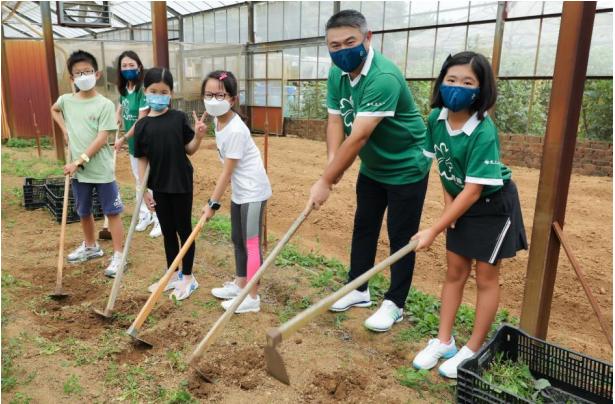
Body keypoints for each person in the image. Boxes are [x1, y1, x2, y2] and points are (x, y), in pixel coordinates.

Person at [308, 10, 430, 332]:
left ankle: (395, 303)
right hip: (374, 166)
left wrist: (326, 179)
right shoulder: (337, 73)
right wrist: (333, 165)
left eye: (350, 41)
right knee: (364, 226)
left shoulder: (383, 77)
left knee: (401, 237)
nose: (342, 50)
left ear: (367, 38)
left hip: (406, 165)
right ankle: (358, 288)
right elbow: (336, 118)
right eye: (334, 45)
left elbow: (359, 135)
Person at [411, 52, 527, 379]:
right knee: (454, 272)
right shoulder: (435, 119)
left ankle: (473, 348)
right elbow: (444, 168)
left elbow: (474, 190)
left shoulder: (483, 131)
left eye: (467, 82)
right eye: (451, 79)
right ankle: (444, 341)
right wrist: (448, 211)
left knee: (486, 277)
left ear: (481, 89)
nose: (457, 87)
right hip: (461, 203)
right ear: (441, 82)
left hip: (491, 207)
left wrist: (435, 227)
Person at [133, 67, 206, 300]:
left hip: (181, 183)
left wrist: (199, 136)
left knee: (184, 230)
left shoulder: (177, 118)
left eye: (163, 91)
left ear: (170, 94)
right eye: (153, 90)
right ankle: (172, 274)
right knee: (167, 232)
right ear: (146, 92)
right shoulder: (142, 125)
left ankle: (188, 277)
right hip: (160, 186)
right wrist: (144, 191)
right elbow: (142, 159)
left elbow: (190, 150)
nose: (158, 95)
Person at [50, 50, 125, 276]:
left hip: (100, 169)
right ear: (71, 78)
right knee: (83, 211)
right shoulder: (66, 101)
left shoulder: (104, 104)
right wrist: (65, 131)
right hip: (79, 172)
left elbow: (103, 138)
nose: (83, 76)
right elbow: (54, 110)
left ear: (97, 74)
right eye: (78, 73)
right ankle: (91, 246)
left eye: (88, 72)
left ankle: (119, 255)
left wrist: (78, 161)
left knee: (112, 212)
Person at [204, 71, 272, 314]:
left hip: (253, 192)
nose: (213, 100)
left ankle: (252, 298)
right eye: (209, 95)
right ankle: (240, 283)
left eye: (219, 95)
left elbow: (226, 173)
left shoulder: (235, 129)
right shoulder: (217, 121)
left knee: (251, 243)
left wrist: (212, 204)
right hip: (240, 192)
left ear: (232, 99)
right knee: (237, 238)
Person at [113, 50, 161, 238]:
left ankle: (159, 219)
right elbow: (121, 105)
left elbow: (141, 121)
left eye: (131, 65)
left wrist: (123, 138)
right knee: (138, 181)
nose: (127, 69)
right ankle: (145, 215)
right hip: (133, 144)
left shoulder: (143, 90)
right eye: (124, 66)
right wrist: (117, 116)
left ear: (139, 67)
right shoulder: (125, 88)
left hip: (145, 143)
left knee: (151, 181)